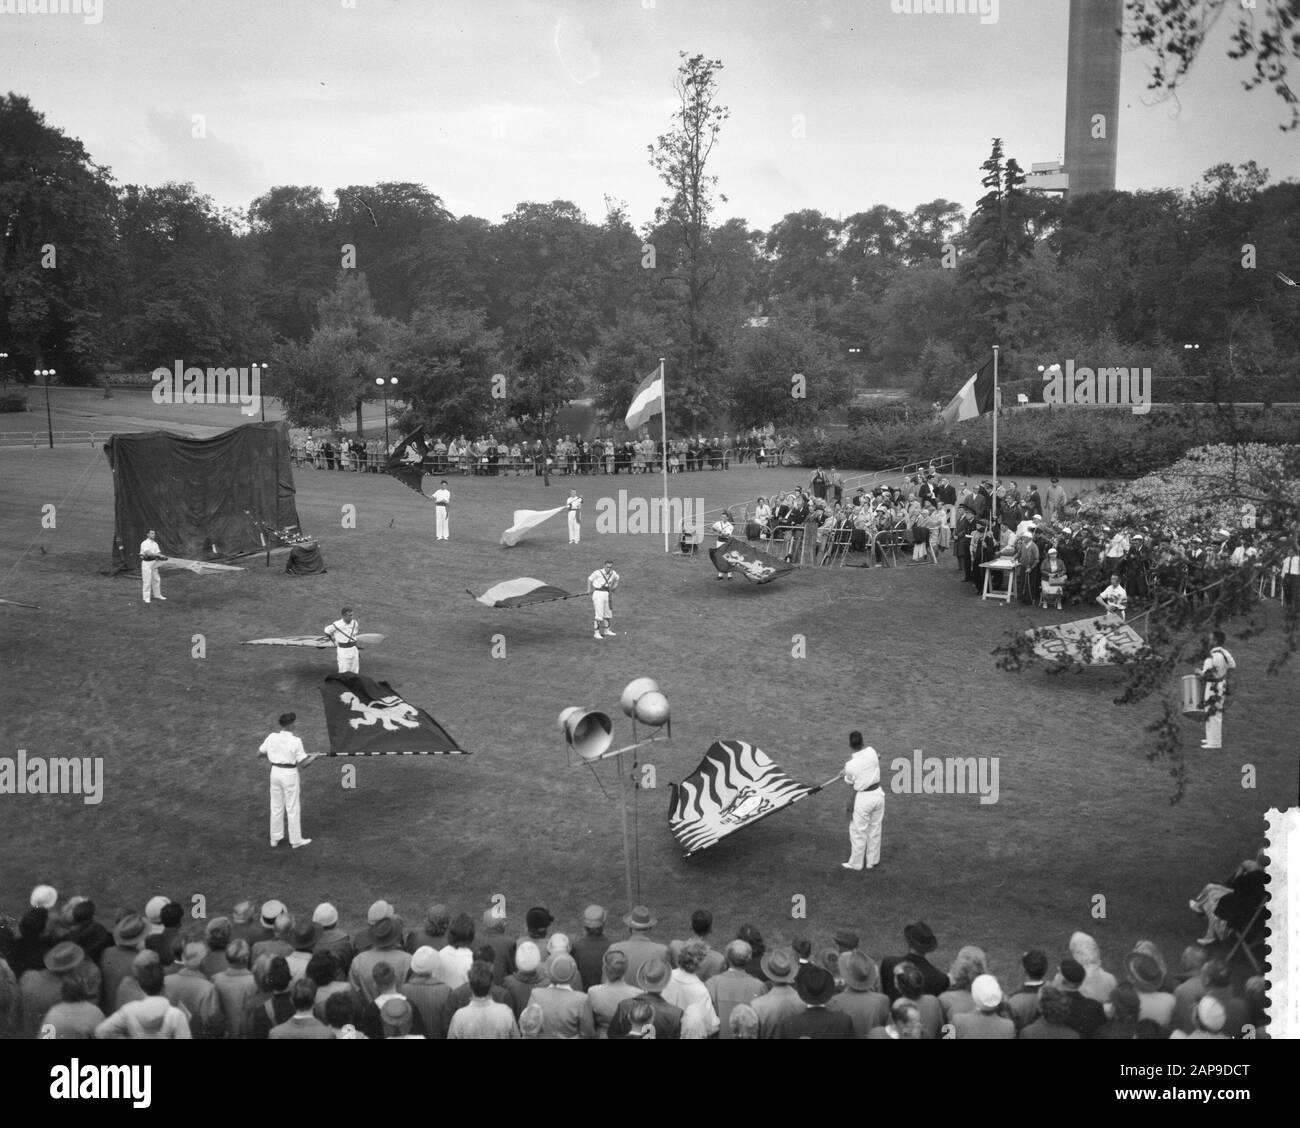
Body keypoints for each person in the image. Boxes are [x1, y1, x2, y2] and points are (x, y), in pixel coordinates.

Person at [258, 711, 320, 849]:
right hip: (289, 775)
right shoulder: (296, 741)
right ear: (291, 725)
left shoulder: (272, 737)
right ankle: (296, 841)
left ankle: (275, 839)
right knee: (292, 807)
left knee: (276, 806)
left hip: (275, 773)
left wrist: (275, 754)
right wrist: (314, 757)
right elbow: (303, 764)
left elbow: (260, 753)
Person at [841, 731, 884, 872]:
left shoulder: (850, 766)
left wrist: (845, 774)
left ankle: (856, 864)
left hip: (864, 799)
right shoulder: (872, 752)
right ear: (862, 742)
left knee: (858, 831)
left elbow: (850, 781)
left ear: (850, 745)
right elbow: (874, 759)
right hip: (878, 795)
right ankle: (872, 861)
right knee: (875, 829)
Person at [1197, 629, 1235, 749]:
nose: (1209, 640)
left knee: (1213, 713)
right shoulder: (1224, 653)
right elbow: (1232, 665)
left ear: (1215, 641)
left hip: (1213, 687)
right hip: (1221, 684)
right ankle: (1210, 738)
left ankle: (1214, 743)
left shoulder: (1212, 656)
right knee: (1212, 712)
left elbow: (1205, 675)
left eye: (1211, 638)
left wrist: (1198, 672)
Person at [586, 559, 619, 640]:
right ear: (604, 566)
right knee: (599, 614)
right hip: (598, 594)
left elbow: (617, 578)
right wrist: (588, 589)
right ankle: (596, 633)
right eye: (607, 567)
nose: (609, 569)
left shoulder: (613, 573)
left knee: (608, 613)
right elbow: (590, 579)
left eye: (610, 567)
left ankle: (607, 630)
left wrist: (614, 587)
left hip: (607, 594)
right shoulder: (597, 572)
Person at [323, 607, 361, 674]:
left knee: (355, 669)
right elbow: (327, 631)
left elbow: (354, 636)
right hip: (343, 651)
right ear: (344, 616)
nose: (352, 617)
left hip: (354, 649)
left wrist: (357, 650)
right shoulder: (337, 625)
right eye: (350, 615)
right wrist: (334, 641)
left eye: (352, 615)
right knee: (344, 670)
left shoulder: (355, 623)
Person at [139, 529, 167, 604]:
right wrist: (158, 555)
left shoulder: (155, 544)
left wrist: (162, 556)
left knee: (156, 579)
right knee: (147, 581)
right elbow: (148, 553)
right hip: (146, 563)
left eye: (154, 533)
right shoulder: (144, 543)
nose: (153, 535)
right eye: (152, 533)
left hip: (154, 563)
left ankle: (157, 595)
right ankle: (146, 598)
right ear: (148, 534)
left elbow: (158, 552)